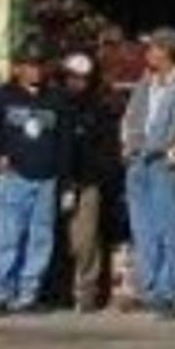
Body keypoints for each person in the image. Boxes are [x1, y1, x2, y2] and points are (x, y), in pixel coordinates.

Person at [119, 27, 175, 313]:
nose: (148, 53)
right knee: (143, 230)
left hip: (165, 165)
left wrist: (174, 156)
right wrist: (127, 146)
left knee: (170, 230)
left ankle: (168, 290)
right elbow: (130, 117)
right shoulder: (145, 83)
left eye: (153, 48)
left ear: (167, 52)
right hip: (138, 162)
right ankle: (149, 288)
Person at [0, 47, 66, 313]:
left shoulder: (55, 99)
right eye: (29, 65)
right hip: (13, 175)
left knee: (40, 237)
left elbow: (65, 140)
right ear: (17, 68)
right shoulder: (1, 98)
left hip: (46, 178)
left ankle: (28, 293)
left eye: (39, 64)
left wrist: (63, 176)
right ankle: (0, 293)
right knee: (8, 234)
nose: (35, 70)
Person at [50, 48, 121, 310]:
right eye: (72, 77)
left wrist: (96, 177)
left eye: (82, 77)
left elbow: (107, 149)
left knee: (85, 241)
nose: (76, 82)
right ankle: (55, 291)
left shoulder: (98, 109)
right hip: (54, 182)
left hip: (86, 183)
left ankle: (86, 292)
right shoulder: (53, 105)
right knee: (54, 239)